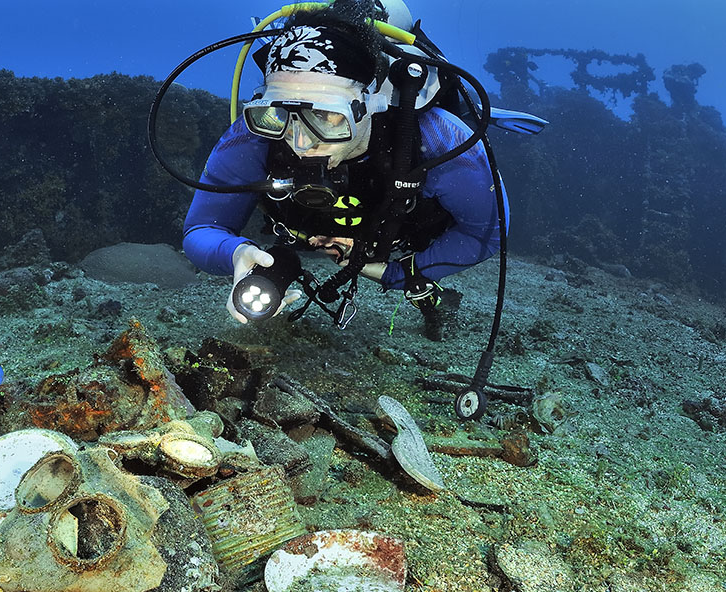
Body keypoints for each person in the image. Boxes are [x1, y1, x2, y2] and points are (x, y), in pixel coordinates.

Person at [181, 0, 507, 340]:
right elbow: (201, 228)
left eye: (326, 117)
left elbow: (487, 232)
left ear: (371, 102)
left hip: (401, 234)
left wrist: (399, 273)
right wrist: (236, 253)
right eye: (279, 115)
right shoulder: (253, 136)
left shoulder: (440, 137)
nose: (301, 143)